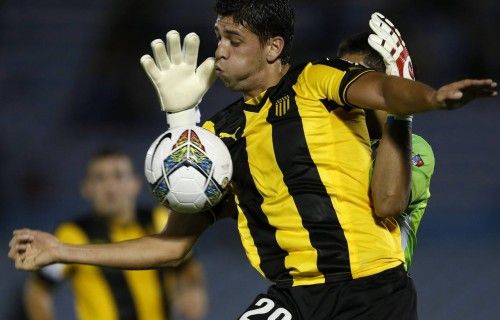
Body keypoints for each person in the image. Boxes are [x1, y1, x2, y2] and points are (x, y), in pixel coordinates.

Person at [9, 1, 497, 319]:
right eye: (218, 38)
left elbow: (384, 88)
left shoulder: (316, 81)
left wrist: (431, 96)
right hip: (293, 297)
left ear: (273, 48)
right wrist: (61, 250)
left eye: (232, 40)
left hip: (370, 293)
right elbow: (170, 247)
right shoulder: (219, 138)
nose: (217, 51)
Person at [23, 148, 207, 320]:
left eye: (118, 176)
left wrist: (192, 288)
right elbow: (38, 290)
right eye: (100, 178)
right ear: (86, 188)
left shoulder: (160, 221)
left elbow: (188, 266)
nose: (110, 187)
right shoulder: (71, 235)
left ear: (135, 184)